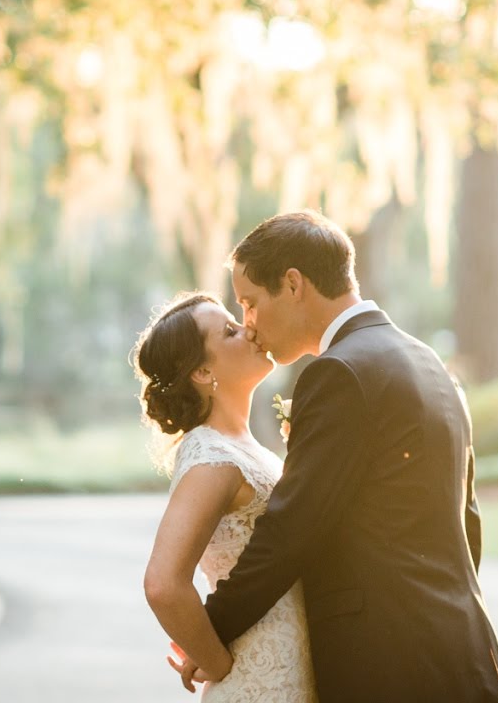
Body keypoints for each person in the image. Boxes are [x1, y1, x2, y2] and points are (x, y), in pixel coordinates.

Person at [171, 210, 498, 702]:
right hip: (466, 657)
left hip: (391, 670)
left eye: (249, 302)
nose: (248, 324)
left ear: (293, 284)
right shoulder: (430, 364)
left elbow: (290, 530)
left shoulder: (340, 374)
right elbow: (466, 524)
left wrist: (209, 633)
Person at [136, 291, 317, 702]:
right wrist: (216, 662)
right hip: (261, 681)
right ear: (202, 371)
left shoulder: (244, 447)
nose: (249, 329)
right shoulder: (210, 456)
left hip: (297, 666)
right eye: (231, 332)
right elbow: (163, 584)